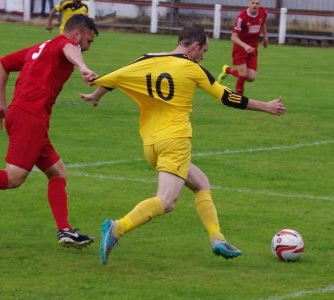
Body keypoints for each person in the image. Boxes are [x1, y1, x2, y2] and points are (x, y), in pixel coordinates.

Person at [80, 23, 286, 265]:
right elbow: (228, 97)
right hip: (174, 141)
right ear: (195, 46)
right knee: (166, 202)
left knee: (201, 183)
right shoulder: (192, 68)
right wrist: (267, 106)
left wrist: (97, 94)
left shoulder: (149, 59)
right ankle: (117, 228)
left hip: (151, 144)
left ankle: (217, 238)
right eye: (204, 51)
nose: (203, 56)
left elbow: (119, 76)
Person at [0, 15, 99, 249]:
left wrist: (1, 104)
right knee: (13, 177)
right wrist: (83, 67)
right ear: (77, 34)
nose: (88, 48)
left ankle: (65, 230)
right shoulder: (65, 44)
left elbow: (1, 64)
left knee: (57, 172)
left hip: (21, 114)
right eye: (88, 42)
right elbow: (70, 47)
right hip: (30, 117)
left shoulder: (39, 48)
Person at [217, 0, 268, 95]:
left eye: (257, 3)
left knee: (251, 77)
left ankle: (228, 70)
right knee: (243, 73)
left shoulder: (263, 12)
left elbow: (263, 23)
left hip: (253, 48)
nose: (255, 5)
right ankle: (239, 95)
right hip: (240, 47)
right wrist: (245, 46)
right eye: (252, 3)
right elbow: (233, 36)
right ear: (249, 3)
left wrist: (265, 37)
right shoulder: (242, 17)